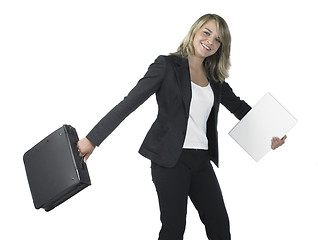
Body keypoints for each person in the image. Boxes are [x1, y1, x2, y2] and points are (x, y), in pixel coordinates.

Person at [77, 13, 286, 240]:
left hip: (201, 161)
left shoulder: (215, 78)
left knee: (220, 225)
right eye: (207, 32)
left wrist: (271, 133)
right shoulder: (166, 66)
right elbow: (129, 103)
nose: (211, 41)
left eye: (218, 39)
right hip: (169, 160)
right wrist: (92, 139)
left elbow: (240, 109)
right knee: (174, 228)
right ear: (195, 31)